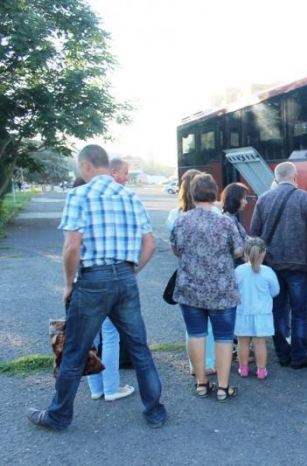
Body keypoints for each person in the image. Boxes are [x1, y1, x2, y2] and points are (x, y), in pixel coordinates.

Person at [27, 144, 166, 430]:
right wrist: (129, 270)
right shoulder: (130, 196)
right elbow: (149, 245)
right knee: (140, 349)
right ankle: (154, 411)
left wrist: (68, 284)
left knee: (75, 352)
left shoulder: (79, 195)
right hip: (125, 279)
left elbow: (71, 247)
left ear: (87, 165)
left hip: (92, 281)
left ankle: (58, 416)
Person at [171, 173, 244, 402]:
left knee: (196, 334)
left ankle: (201, 382)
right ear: (215, 195)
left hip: (190, 287)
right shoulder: (225, 221)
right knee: (223, 337)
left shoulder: (182, 220)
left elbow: (176, 249)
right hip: (221, 288)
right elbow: (239, 251)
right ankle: (223, 387)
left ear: (192, 195)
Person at [250, 161, 307, 369]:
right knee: (299, 312)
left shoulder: (263, 199)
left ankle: (282, 354)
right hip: (300, 265)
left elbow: (255, 234)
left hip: (272, 265)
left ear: (276, 177)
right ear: (295, 176)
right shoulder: (306, 198)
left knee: (277, 310)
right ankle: (299, 356)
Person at [86, 157, 135, 402]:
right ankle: (112, 388)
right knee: (111, 335)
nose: (127, 178)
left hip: (86, 279)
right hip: (113, 277)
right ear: (114, 172)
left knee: (90, 335)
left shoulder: (81, 197)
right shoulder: (123, 199)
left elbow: (71, 247)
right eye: (125, 173)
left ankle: (95, 388)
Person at [167, 169, 218, 376]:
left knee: (193, 327)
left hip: (187, 275)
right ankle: (210, 362)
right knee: (212, 325)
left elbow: (176, 249)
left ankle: (194, 366)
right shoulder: (215, 213)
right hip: (213, 276)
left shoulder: (175, 215)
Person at [235, 237, 280, 380]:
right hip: (262, 313)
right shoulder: (268, 272)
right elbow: (275, 291)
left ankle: (243, 369)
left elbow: (233, 289)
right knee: (260, 343)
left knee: (243, 342)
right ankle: (261, 371)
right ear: (264, 253)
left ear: (245, 253)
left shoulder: (239, 271)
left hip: (242, 312)